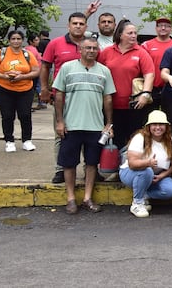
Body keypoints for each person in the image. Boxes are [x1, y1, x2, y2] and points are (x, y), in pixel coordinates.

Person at [52, 36, 115, 215]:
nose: (91, 51)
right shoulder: (67, 68)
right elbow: (58, 95)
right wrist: (60, 121)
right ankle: (71, 198)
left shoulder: (104, 71)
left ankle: (88, 198)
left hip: (95, 126)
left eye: (94, 48)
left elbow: (108, 98)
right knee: (69, 164)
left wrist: (108, 123)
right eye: (87, 48)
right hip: (71, 126)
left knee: (92, 163)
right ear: (80, 49)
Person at [40, 12, 91, 183]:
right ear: (68, 25)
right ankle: (60, 168)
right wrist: (45, 88)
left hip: (88, 96)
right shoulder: (55, 44)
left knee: (88, 134)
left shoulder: (90, 44)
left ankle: (89, 168)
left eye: (81, 23)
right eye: (75, 23)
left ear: (86, 26)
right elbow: (45, 66)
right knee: (61, 133)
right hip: (63, 97)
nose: (78, 26)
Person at [98, 20, 155, 150]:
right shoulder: (107, 52)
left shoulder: (141, 52)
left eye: (135, 33)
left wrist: (145, 94)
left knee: (134, 138)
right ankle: (112, 167)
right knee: (114, 138)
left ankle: (131, 167)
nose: (134, 36)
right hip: (110, 105)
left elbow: (149, 74)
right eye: (130, 33)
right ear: (120, 35)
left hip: (133, 106)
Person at [0, 30, 41, 152]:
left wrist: (22, 76)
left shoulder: (27, 54)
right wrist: (4, 76)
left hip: (25, 89)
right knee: (7, 116)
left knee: (25, 115)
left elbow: (36, 71)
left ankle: (27, 140)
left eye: (18, 39)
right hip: (4, 89)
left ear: (22, 41)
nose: (16, 41)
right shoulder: (1, 53)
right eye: (13, 39)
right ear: (9, 40)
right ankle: (9, 141)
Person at [119, 110, 172, 218]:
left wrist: (162, 176)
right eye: (154, 124)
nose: (158, 127)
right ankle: (137, 203)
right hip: (132, 173)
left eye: (161, 124)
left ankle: (144, 195)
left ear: (166, 126)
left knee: (171, 190)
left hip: (156, 176)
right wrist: (148, 162)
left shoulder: (170, 141)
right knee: (147, 171)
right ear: (149, 126)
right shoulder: (140, 138)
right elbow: (132, 164)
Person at [141, 16, 172, 103]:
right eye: (160, 25)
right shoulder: (146, 45)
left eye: (166, 26)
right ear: (156, 28)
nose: (163, 28)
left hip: (171, 87)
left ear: (171, 29)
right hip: (152, 87)